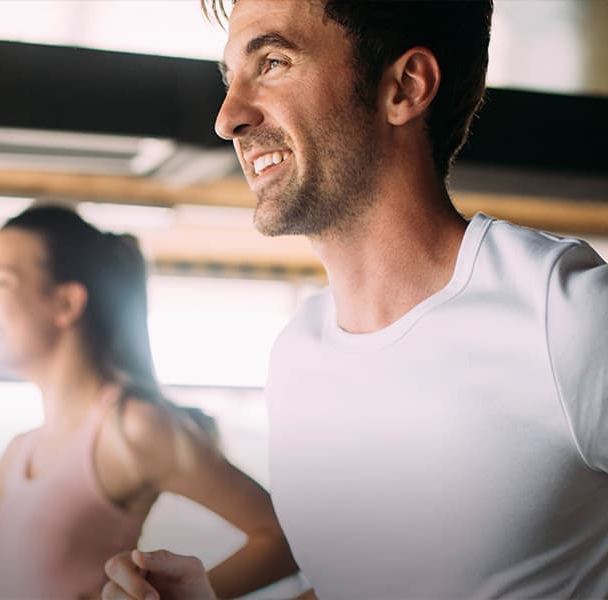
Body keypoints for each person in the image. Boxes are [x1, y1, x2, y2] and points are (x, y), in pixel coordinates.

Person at [103, 0, 608, 598]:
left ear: (404, 87)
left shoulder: (563, 313)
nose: (227, 116)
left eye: (272, 62)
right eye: (230, 77)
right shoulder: (296, 355)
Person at [0, 205, 297, 599]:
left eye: (0, 284)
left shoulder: (132, 427)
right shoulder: (17, 455)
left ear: (66, 304)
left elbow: (282, 538)